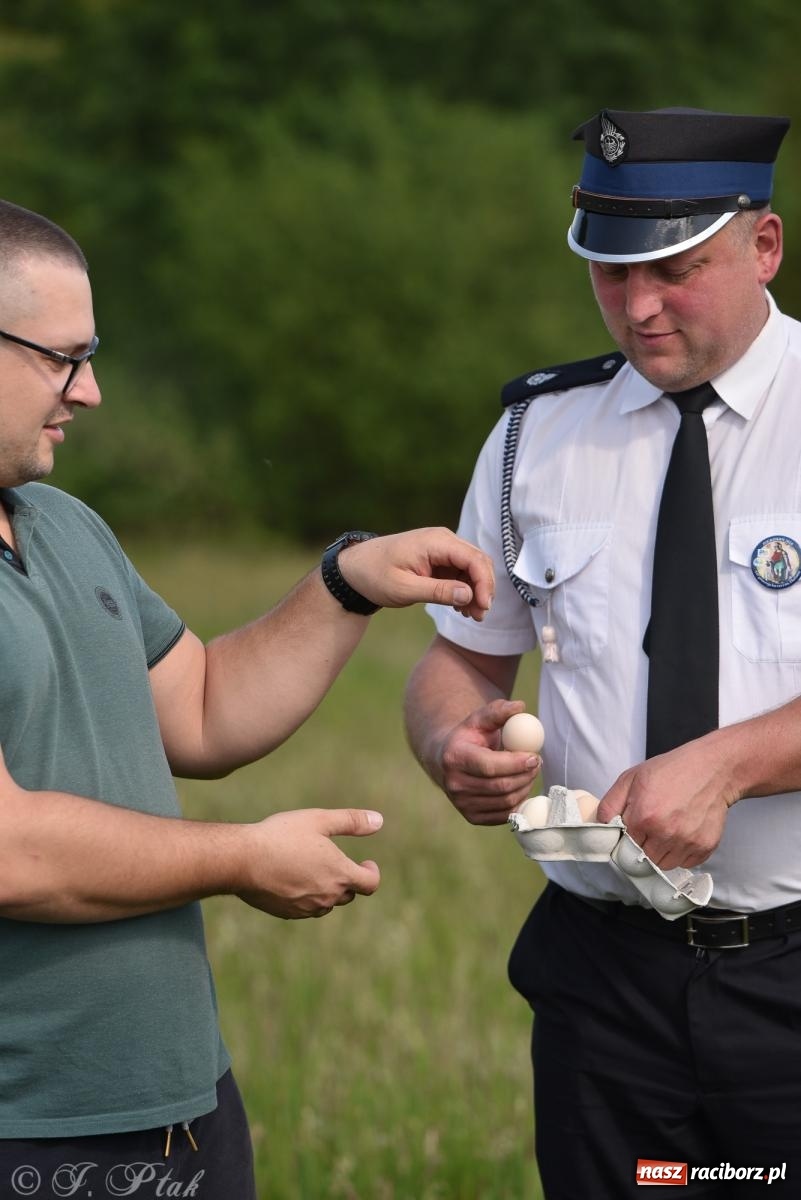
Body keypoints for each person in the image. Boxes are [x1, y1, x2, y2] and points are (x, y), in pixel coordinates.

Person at [0, 198, 495, 1198]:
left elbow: (205, 708)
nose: (90, 391)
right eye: (63, 356)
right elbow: (9, 852)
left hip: (180, 1111)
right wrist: (242, 858)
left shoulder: (59, 523)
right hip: (29, 1131)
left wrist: (347, 582)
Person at [404, 107, 801, 1197]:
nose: (639, 307)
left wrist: (725, 765)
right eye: (610, 272)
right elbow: (464, 659)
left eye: (675, 269)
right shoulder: (539, 432)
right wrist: (454, 740)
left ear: (764, 244)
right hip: (605, 978)